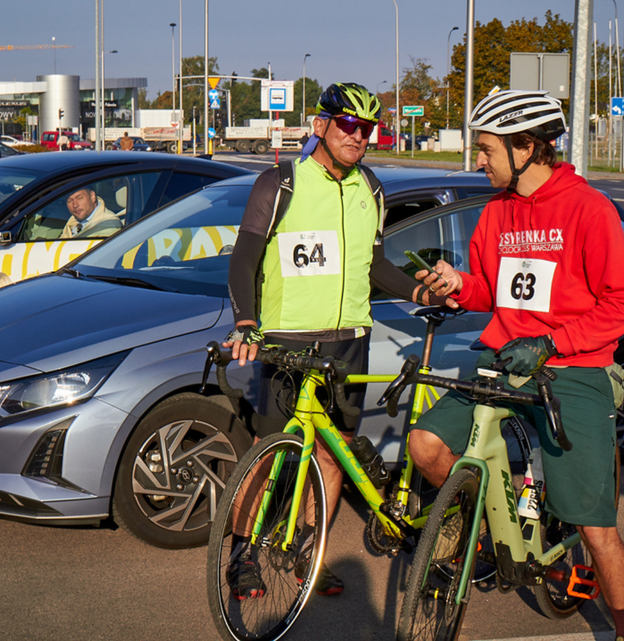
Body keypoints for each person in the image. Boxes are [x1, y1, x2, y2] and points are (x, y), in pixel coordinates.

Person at [410, 89, 624, 641]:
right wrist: (457, 286)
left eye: (486, 149)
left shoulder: (589, 209)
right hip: (503, 364)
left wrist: (551, 344)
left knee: (595, 529)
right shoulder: (498, 211)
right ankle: (488, 530)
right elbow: (489, 289)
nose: (477, 160)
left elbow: (617, 306)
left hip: (572, 370)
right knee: (425, 446)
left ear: (526, 147)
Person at [222, 82, 439, 599]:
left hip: (348, 340)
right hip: (290, 338)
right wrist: (248, 322)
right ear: (321, 125)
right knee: (269, 450)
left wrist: (420, 289)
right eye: (348, 125)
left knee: (330, 453)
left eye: (367, 129)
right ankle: (242, 554)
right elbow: (244, 258)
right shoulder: (281, 183)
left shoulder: (371, 189)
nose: (358, 137)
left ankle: (307, 551)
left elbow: (376, 267)